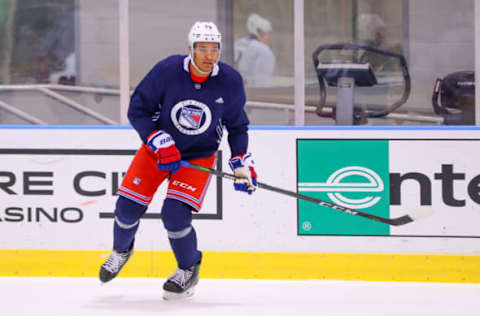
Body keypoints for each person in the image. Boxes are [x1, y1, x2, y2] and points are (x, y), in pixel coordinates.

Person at [98, 21, 257, 300]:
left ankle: (188, 269)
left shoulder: (230, 81)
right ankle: (121, 250)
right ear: (190, 49)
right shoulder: (167, 71)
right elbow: (138, 111)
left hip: (198, 156)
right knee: (127, 208)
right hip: (157, 151)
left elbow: (238, 126)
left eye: (214, 49)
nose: (209, 55)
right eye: (202, 48)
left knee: (175, 215)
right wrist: (158, 140)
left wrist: (240, 162)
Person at [234, 13, 275, 87]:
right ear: (260, 32)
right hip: (253, 94)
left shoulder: (238, 44)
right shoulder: (263, 50)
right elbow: (262, 82)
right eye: (268, 33)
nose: (269, 37)